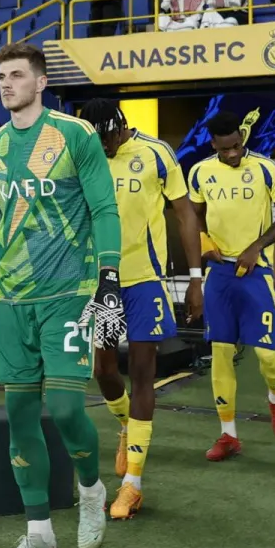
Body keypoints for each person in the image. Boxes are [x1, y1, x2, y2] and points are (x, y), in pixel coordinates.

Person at [0, 43, 121, 548]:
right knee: (19, 415)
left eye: (17, 75)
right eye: (1, 77)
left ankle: (90, 490)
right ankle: (39, 533)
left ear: (41, 82)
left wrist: (107, 281)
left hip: (69, 294)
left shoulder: (75, 135)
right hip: (13, 302)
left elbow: (104, 209)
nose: (6, 84)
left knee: (64, 410)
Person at [78, 99, 203, 520]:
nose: (103, 146)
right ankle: (125, 424)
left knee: (144, 371)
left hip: (146, 278)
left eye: (107, 137)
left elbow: (184, 214)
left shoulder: (156, 153)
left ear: (120, 125)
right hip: (102, 280)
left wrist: (196, 277)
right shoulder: (85, 154)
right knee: (104, 371)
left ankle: (132, 483)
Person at [187, 112, 275, 461]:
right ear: (214, 145)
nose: (232, 154)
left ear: (241, 137)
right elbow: (192, 215)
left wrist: (256, 246)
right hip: (219, 273)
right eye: (225, 149)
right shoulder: (201, 172)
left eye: (236, 146)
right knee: (220, 352)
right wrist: (204, 241)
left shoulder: (266, 168)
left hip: (256, 271)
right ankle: (228, 434)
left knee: (268, 356)